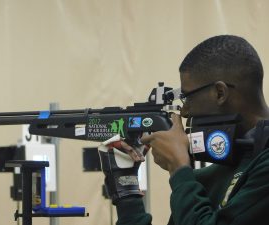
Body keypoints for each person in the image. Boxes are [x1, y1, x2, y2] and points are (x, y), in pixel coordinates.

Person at [98, 35, 269, 225]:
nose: (185, 111)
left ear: (220, 93)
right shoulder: (220, 170)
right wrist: (127, 194)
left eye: (187, 97)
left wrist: (178, 167)